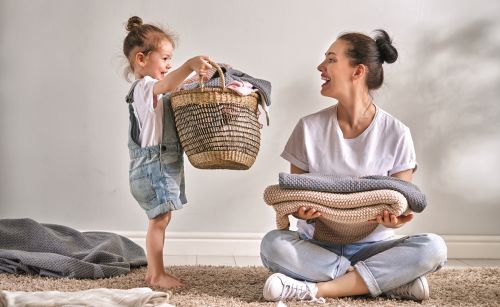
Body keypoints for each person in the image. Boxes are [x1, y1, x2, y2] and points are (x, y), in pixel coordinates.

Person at [260, 30, 447, 302]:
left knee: (433, 247)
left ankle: (316, 289)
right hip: (318, 246)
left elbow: (402, 201)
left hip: (374, 247)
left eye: (331, 60)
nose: (320, 67)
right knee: (272, 245)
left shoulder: (396, 132)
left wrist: (398, 217)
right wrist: (302, 212)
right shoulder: (308, 128)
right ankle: (385, 282)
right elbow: (296, 196)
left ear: (357, 72)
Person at [122, 16, 212, 289]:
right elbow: (167, 84)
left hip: (162, 163)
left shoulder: (156, 92)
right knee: (159, 219)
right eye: (165, 58)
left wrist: (197, 75)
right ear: (141, 59)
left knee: (161, 218)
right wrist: (187, 66)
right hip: (152, 166)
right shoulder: (143, 88)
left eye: (171, 59)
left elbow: (174, 87)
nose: (170, 64)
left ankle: (153, 273)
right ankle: (157, 273)